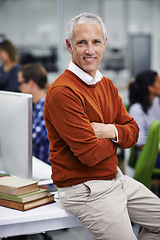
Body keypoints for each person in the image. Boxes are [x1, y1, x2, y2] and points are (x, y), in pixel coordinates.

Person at [43, 13, 160, 240]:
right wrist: (119, 135)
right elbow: (89, 154)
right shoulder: (62, 92)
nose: (90, 50)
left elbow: (134, 133)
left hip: (115, 179)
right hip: (85, 190)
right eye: (81, 43)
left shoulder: (106, 85)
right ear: (69, 45)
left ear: (104, 44)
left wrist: (109, 130)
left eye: (96, 42)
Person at [18, 63, 50, 165]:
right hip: (34, 167)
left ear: (31, 83)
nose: (19, 88)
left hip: (46, 171)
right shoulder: (33, 107)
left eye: (21, 83)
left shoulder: (46, 108)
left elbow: (30, 140)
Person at [129, 70, 160, 168]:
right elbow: (141, 145)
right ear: (150, 88)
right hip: (149, 157)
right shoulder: (136, 109)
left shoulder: (154, 106)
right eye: (158, 82)